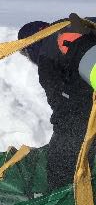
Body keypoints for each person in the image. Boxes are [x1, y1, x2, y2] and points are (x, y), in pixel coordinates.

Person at [17, 15, 96, 191]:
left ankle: (59, 202)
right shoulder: (80, 25)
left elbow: (65, 111)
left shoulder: (47, 54)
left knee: (62, 155)